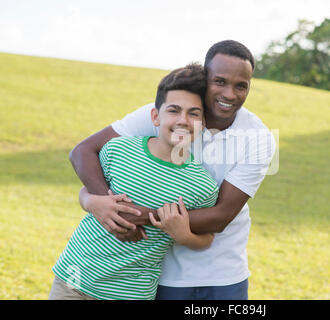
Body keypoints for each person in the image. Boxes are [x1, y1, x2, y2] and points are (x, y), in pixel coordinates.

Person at [71, 40, 276, 300]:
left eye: (241, 86)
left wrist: (135, 216)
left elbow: (221, 216)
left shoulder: (259, 137)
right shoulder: (167, 113)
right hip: (162, 272)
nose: (230, 94)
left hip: (223, 273)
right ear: (205, 78)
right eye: (220, 81)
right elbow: (83, 151)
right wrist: (106, 206)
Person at [49, 64, 219, 300]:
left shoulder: (202, 186)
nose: (183, 120)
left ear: (203, 123)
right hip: (74, 279)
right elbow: (86, 191)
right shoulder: (117, 150)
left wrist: (184, 236)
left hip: (130, 293)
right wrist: (89, 201)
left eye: (194, 113)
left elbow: (206, 239)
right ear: (155, 116)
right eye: (174, 110)